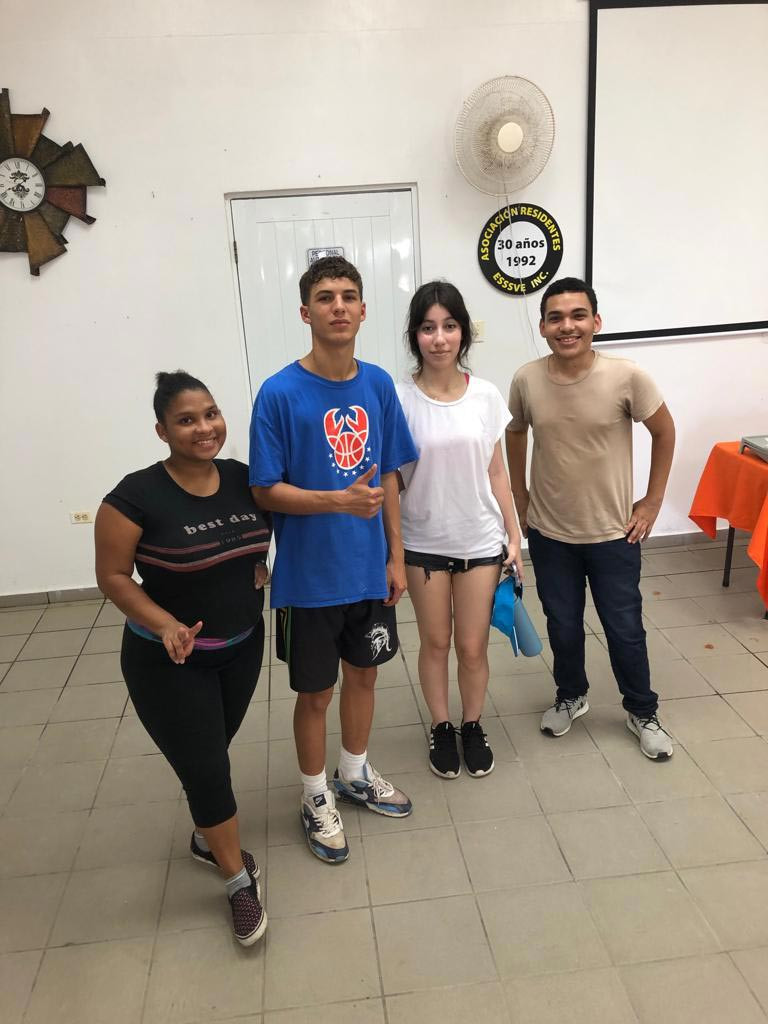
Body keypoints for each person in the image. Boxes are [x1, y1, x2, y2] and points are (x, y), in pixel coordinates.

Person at [249, 255, 419, 864]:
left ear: (364, 310)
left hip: (368, 571)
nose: (338, 306)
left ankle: (354, 772)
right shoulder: (278, 393)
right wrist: (336, 501)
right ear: (306, 312)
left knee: (365, 676)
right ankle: (315, 795)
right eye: (325, 297)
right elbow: (264, 490)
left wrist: (396, 556)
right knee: (315, 693)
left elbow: (390, 476)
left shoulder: (378, 385)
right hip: (308, 579)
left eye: (348, 296)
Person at [94, 371, 270, 946]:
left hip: (242, 648)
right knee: (209, 768)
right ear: (162, 431)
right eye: (187, 420)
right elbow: (113, 575)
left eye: (211, 414)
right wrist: (164, 623)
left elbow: (259, 540)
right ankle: (237, 882)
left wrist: (258, 567)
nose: (204, 428)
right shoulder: (134, 496)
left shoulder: (244, 479)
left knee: (212, 751)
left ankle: (204, 838)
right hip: (168, 662)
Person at [506, 277, 676, 760]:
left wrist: (652, 502)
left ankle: (642, 710)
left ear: (596, 322)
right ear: (543, 327)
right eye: (556, 317)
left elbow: (665, 432)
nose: (568, 326)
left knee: (624, 629)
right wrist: (520, 497)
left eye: (578, 315)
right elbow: (515, 432)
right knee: (562, 624)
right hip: (549, 532)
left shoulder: (627, 376)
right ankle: (571, 695)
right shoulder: (526, 379)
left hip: (613, 533)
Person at [396, 281, 523, 779]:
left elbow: (497, 472)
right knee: (435, 644)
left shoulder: (485, 395)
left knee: (472, 647)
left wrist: (514, 535)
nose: (439, 338)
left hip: (480, 540)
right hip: (423, 542)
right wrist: (389, 548)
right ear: (415, 335)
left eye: (449, 326)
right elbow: (391, 480)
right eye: (428, 328)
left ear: (463, 333)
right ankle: (441, 726)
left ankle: (472, 725)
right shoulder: (398, 399)